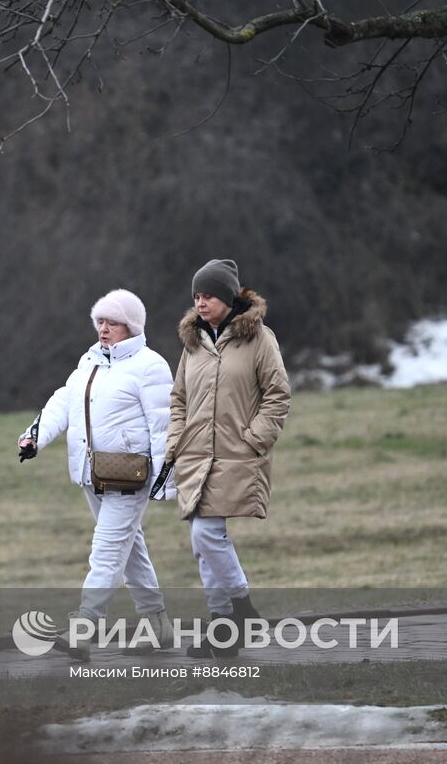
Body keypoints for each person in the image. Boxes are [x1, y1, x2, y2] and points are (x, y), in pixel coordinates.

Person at [17, 289, 174, 658]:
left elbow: (165, 426)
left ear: (131, 327)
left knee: (105, 553)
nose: (104, 329)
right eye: (100, 321)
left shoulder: (151, 366)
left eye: (112, 323)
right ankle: (158, 626)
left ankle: (82, 630)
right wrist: (34, 438)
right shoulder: (89, 361)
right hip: (93, 474)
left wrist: (165, 479)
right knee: (129, 550)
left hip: (130, 478)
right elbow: (63, 402)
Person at [166, 260, 290, 658]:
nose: (200, 303)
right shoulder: (193, 343)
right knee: (201, 544)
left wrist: (255, 440)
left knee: (207, 535)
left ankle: (243, 608)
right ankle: (225, 629)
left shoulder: (260, 339)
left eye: (209, 296)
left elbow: (277, 394)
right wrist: (175, 443)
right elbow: (179, 399)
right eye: (196, 297)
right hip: (195, 456)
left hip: (237, 455)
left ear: (229, 297)